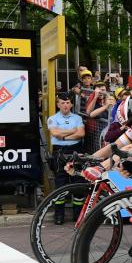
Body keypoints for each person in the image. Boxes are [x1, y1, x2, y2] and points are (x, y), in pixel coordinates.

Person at [46, 93, 86, 224]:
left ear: (71, 104)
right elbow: (55, 133)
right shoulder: (52, 118)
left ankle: (78, 215)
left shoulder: (77, 118)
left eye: (68, 102)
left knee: (78, 183)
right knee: (60, 184)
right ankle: (59, 216)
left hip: (76, 151)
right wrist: (72, 131)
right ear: (58, 104)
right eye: (62, 103)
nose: (65, 105)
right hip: (60, 152)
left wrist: (63, 136)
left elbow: (81, 133)